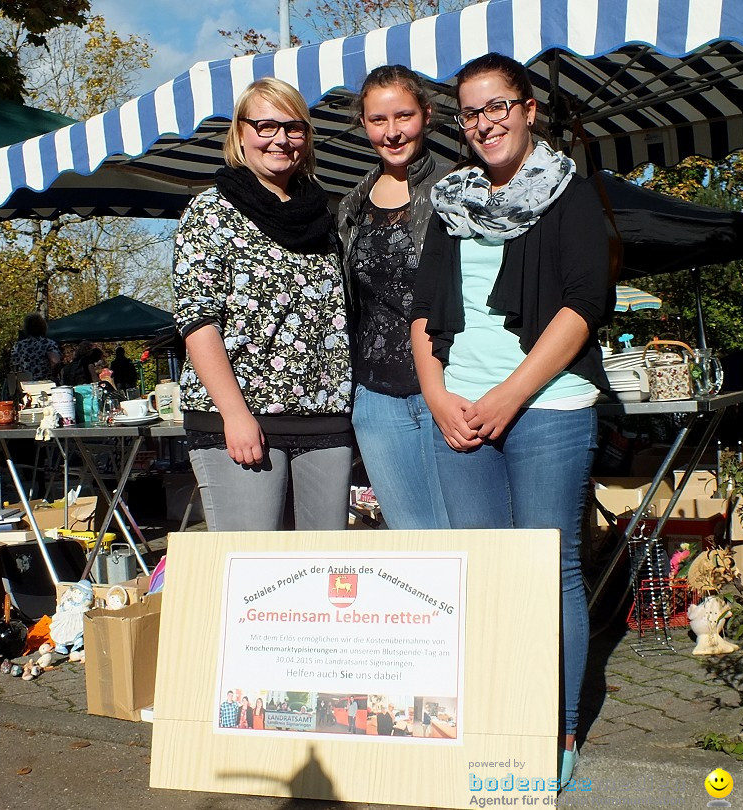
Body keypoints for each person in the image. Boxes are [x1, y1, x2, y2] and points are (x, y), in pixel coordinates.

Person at [410, 53, 613, 790]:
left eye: (499, 106)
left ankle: (555, 729)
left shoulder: (570, 193)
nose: (486, 121)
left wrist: (509, 396)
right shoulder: (451, 200)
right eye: (471, 111)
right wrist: (437, 395)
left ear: (527, 109)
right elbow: (424, 311)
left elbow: (582, 306)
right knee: (483, 575)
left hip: (547, 406)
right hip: (458, 407)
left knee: (547, 570)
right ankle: (499, 719)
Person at [172, 77, 353, 531]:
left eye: (293, 127)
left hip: (324, 419)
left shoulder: (323, 215)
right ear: (240, 133)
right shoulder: (211, 211)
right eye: (266, 125)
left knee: (324, 575)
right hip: (242, 418)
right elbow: (197, 320)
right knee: (252, 576)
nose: (281, 139)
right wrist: (234, 414)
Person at [337, 65, 450, 530]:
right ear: (363, 124)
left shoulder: (455, 188)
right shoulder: (350, 206)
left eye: (403, 116)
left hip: (449, 384)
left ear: (425, 114)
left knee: (459, 531)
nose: (392, 132)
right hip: (376, 396)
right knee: (411, 534)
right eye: (378, 120)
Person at [10, 313, 62, 382]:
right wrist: (54, 376)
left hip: (25, 384)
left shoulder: (18, 346)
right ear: (43, 327)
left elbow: (14, 365)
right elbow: (56, 362)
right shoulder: (48, 343)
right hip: (44, 383)